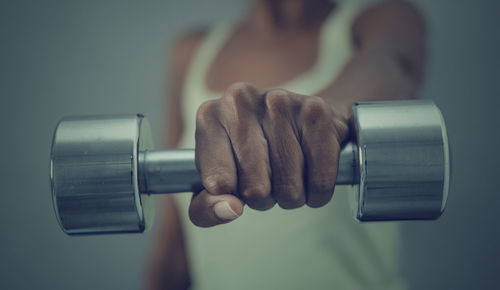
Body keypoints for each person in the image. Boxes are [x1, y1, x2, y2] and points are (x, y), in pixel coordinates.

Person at [147, 0, 425, 289]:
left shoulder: (378, 20)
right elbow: (174, 242)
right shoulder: (192, 52)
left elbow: (391, 64)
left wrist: (329, 111)